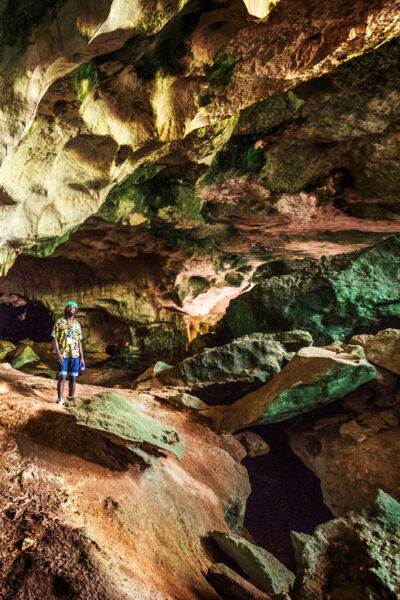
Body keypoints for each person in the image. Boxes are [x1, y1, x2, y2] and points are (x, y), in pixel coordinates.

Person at [51, 301, 85, 406]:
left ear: (76, 310)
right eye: (69, 307)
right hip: (63, 354)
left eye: (74, 308)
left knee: (73, 377)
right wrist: (58, 354)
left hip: (75, 355)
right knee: (62, 376)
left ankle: (71, 399)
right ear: (66, 309)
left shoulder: (77, 325)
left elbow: (79, 341)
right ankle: (60, 399)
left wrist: (82, 358)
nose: (72, 309)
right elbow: (55, 338)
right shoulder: (59, 322)